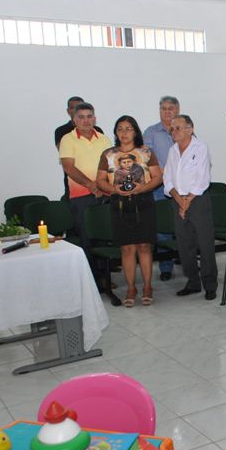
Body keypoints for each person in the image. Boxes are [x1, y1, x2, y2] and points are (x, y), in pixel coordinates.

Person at [96, 116, 162, 307]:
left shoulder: (146, 152)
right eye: (120, 129)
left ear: (135, 131)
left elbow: (158, 177)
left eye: (128, 129)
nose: (124, 133)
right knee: (127, 248)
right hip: (119, 204)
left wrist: (143, 188)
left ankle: (148, 287)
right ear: (116, 132)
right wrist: (113, 189)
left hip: (143, 201)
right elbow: (100, 180)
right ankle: (131, 288)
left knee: (144, 246)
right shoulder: (108, 154)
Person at [163, 115, 218, 300]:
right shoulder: (172, 150)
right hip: (178, 200)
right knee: (184, 245)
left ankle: (210, 284)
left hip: (198, 201)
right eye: (172, 129)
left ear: (190, 129)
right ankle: (193, 282)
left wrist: (187, 201)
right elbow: (168, 178)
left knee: (205, 244)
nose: (174, 131)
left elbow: (203, 178)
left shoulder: (200, 147)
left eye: (178, 128)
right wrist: (179, 200)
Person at [58, 102, 113, 276]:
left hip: (104, 195)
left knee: (104, 239)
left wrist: (103, 186)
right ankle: (92, 283)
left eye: (89, 117)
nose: (86, 121)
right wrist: (91, 185)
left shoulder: (104, 139)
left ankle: (105, 279)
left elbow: (110, 167)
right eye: (81, 117)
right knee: (86, 240)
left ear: (94, 118)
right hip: (81, 197)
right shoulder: (68, 139)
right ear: (74, 120)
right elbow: (69, 168)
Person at [143, 96, 180, 281]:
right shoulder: (150, 133)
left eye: (170, 108)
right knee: (163, 228)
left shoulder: (186, 131)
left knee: (185, 224)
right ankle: (166, 267)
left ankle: (186, 259)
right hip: (160, 187)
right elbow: (147, 161)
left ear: (177, 110)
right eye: (163, 108)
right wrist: (167, 173)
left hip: (184, 187)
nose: (167, 111)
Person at [54, 96, 103, 201]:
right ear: (68, 111)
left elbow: (107, 161)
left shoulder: (100, 133)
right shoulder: (63, 132)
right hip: (77, 188)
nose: (85, 120)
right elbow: (68, 163)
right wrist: (90, 184)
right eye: (73, 108)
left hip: (102, 188)